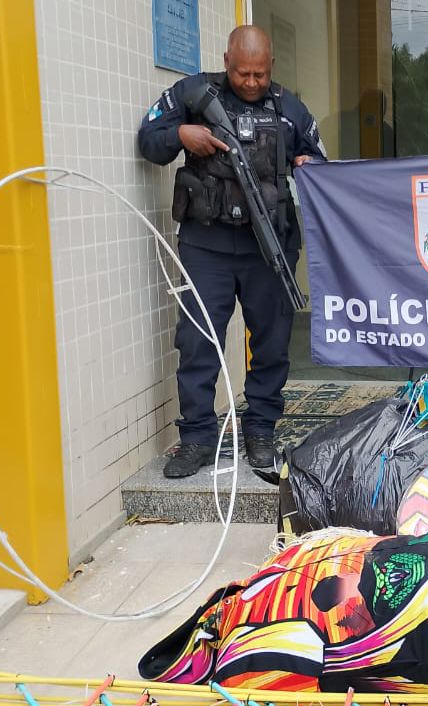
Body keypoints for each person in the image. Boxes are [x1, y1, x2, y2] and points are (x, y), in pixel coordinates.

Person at [138, 25, 326, 478]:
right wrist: (182, 134)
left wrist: (309, 164)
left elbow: (320, 159)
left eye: (260, 74)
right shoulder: (193, 94)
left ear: (271, 67)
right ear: (227, 62)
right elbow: (149, 140)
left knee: (271, 344)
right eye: (243, 73)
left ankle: (260, 431)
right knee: (198, 342)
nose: (252, 82)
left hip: (270, 247)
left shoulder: (289, 109)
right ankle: (197, 439)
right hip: (207, 245)